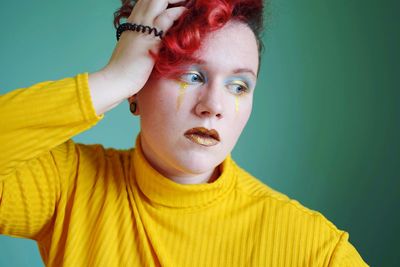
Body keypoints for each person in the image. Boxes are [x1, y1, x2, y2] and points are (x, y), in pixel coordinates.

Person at [0, 0, 368, 266]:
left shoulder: (313, 248)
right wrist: (112, 79)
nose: (214, 105)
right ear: (137, 88)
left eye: (239, 86)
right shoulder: (68, 186)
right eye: (192, 76)